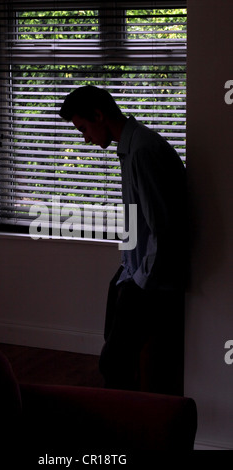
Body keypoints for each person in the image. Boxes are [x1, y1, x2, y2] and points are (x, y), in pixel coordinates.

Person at [59, 85, 187, 394]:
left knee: (113, 363)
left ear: (99, 115)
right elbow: (138, 218)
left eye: (84, 128)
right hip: (136, 269)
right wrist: (125, 268)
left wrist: (139, 280)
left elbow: (164, 229)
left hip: (153, 279)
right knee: (111, 337)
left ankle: (125, 422)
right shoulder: (130, 148)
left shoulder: (142, 151)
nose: (85, 137)